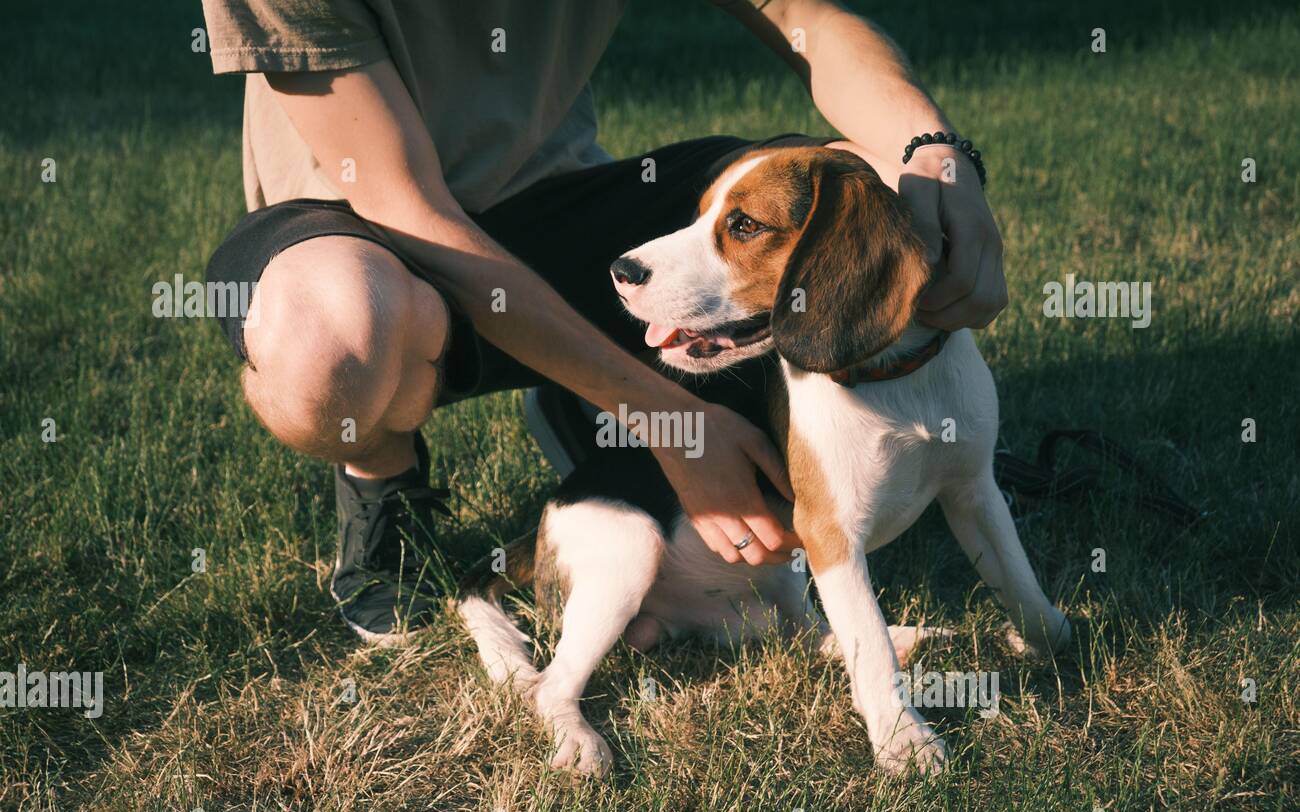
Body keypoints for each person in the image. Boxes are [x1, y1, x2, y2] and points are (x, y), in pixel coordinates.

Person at [201, 0, 1007, 643]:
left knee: (861, 178)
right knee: (335, 334)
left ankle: (646, 415)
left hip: (558, 203)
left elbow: (808, 19)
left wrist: (934, 154)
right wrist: (668, 422)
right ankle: (383, 478)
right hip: (364, 235)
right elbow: (408, 202)